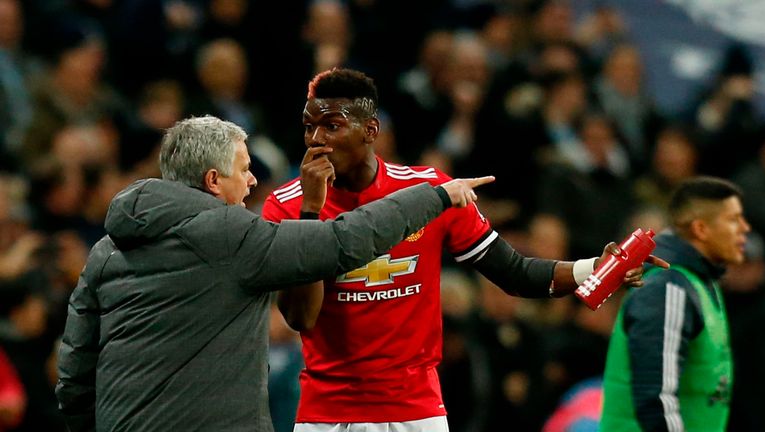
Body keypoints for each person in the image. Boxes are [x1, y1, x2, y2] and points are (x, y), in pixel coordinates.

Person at [260, 68, 667, 432]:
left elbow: (515, 273)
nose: (317, 140)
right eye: (309, 126)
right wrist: (311, 213)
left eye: (332, 126)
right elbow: (302, 318)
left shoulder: (430, 192)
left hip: (416, 413)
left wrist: (594, 267)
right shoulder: (287, 205)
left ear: (370, 130)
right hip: (326, 414)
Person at [54, 114, 494, 432]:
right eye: (244, 170)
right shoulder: (230, 234)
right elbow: (340, 243)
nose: (250, 183)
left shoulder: (106, 251)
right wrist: (433, 197)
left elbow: (75, 367)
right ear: (212, 180)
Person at [600, 176, 750, 431]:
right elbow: (657, 399)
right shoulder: (667, 288)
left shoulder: (702, 282)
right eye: (733, 219)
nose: (745, 228)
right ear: (701, 229)